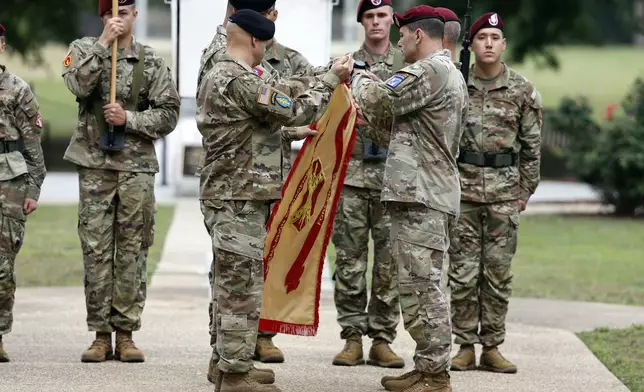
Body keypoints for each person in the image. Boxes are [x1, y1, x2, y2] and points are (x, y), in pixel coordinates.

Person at [196, 9, 352, 392]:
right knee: (240, 287)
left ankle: (226, 363)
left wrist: (296, 133)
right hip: (237, 197)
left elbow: (247, 132)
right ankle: (235, 374)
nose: (267, 50)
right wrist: (332, 80)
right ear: (253, 40)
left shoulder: (233, 76)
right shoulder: (237, 78)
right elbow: (292, 107)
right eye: (265, 44)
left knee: (233, 281)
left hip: (236, 194)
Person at [351, 5, 468, 392]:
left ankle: (435, 374)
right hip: (420, 193)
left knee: (425, 287)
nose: (398, 41)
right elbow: (403, 127)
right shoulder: (445, 71)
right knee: (417, 287)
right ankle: (426, 366)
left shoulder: (430, 69)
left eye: (402, 34)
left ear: (418, 34)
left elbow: (382, 99)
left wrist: (355, 74)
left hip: (423, 196)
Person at [61, 0, 180, 363]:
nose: (119, 19)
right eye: (112, 13)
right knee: (96, 251)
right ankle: (100, 334)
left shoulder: (152, 61)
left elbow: (169, 113)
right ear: (102, 16)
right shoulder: (83, 49)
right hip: (95, 165)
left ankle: (126, 334)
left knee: (132, 251)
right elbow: (76, 86)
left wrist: (129, 118)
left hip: (136, 168)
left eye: (125, 12)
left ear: (135, 15)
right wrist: (102, 44)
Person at [447, 12, 542, 374]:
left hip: (504, 195)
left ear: (503, 45)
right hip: (464, 192)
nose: (488, 43)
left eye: (495, 37)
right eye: (482, 37)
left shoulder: (522, 90)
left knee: (498, 274)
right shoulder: (456, 84)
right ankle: (465, 345)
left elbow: (532, 147)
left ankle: (492, 347)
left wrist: (524, 192)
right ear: (472, 45)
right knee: (462, 274)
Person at [330, 0, 405, 370]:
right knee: (349, 262)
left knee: (389, 264)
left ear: (392, 20)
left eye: (382, 16)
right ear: (361, 21)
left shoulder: (409, 65)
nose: (376, 22)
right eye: (370, 17)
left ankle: (382, 339)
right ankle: (352, 337)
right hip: (353, 178)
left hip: (394, 180)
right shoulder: (344, 66)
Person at [0, 23, 47, 363]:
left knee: (2, 265)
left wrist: (33, 187)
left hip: (9, 182)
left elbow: (32, 145)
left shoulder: (17, 89)